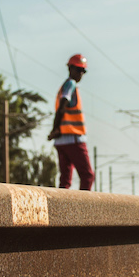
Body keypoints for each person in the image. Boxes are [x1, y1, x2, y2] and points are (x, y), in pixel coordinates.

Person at [48, 53, 94, 190]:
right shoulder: (70, 84)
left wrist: (55, 130)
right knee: (87, 176)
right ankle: (84, 210)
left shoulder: (64, 86)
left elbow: (61, 110)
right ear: (70, 69)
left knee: (65, 181)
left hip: (61, 141)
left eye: (83, 71)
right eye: (79, 70)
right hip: (73, 139)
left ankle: (60, 211)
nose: (81, 74)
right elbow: (62, 107)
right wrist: (55, 128)